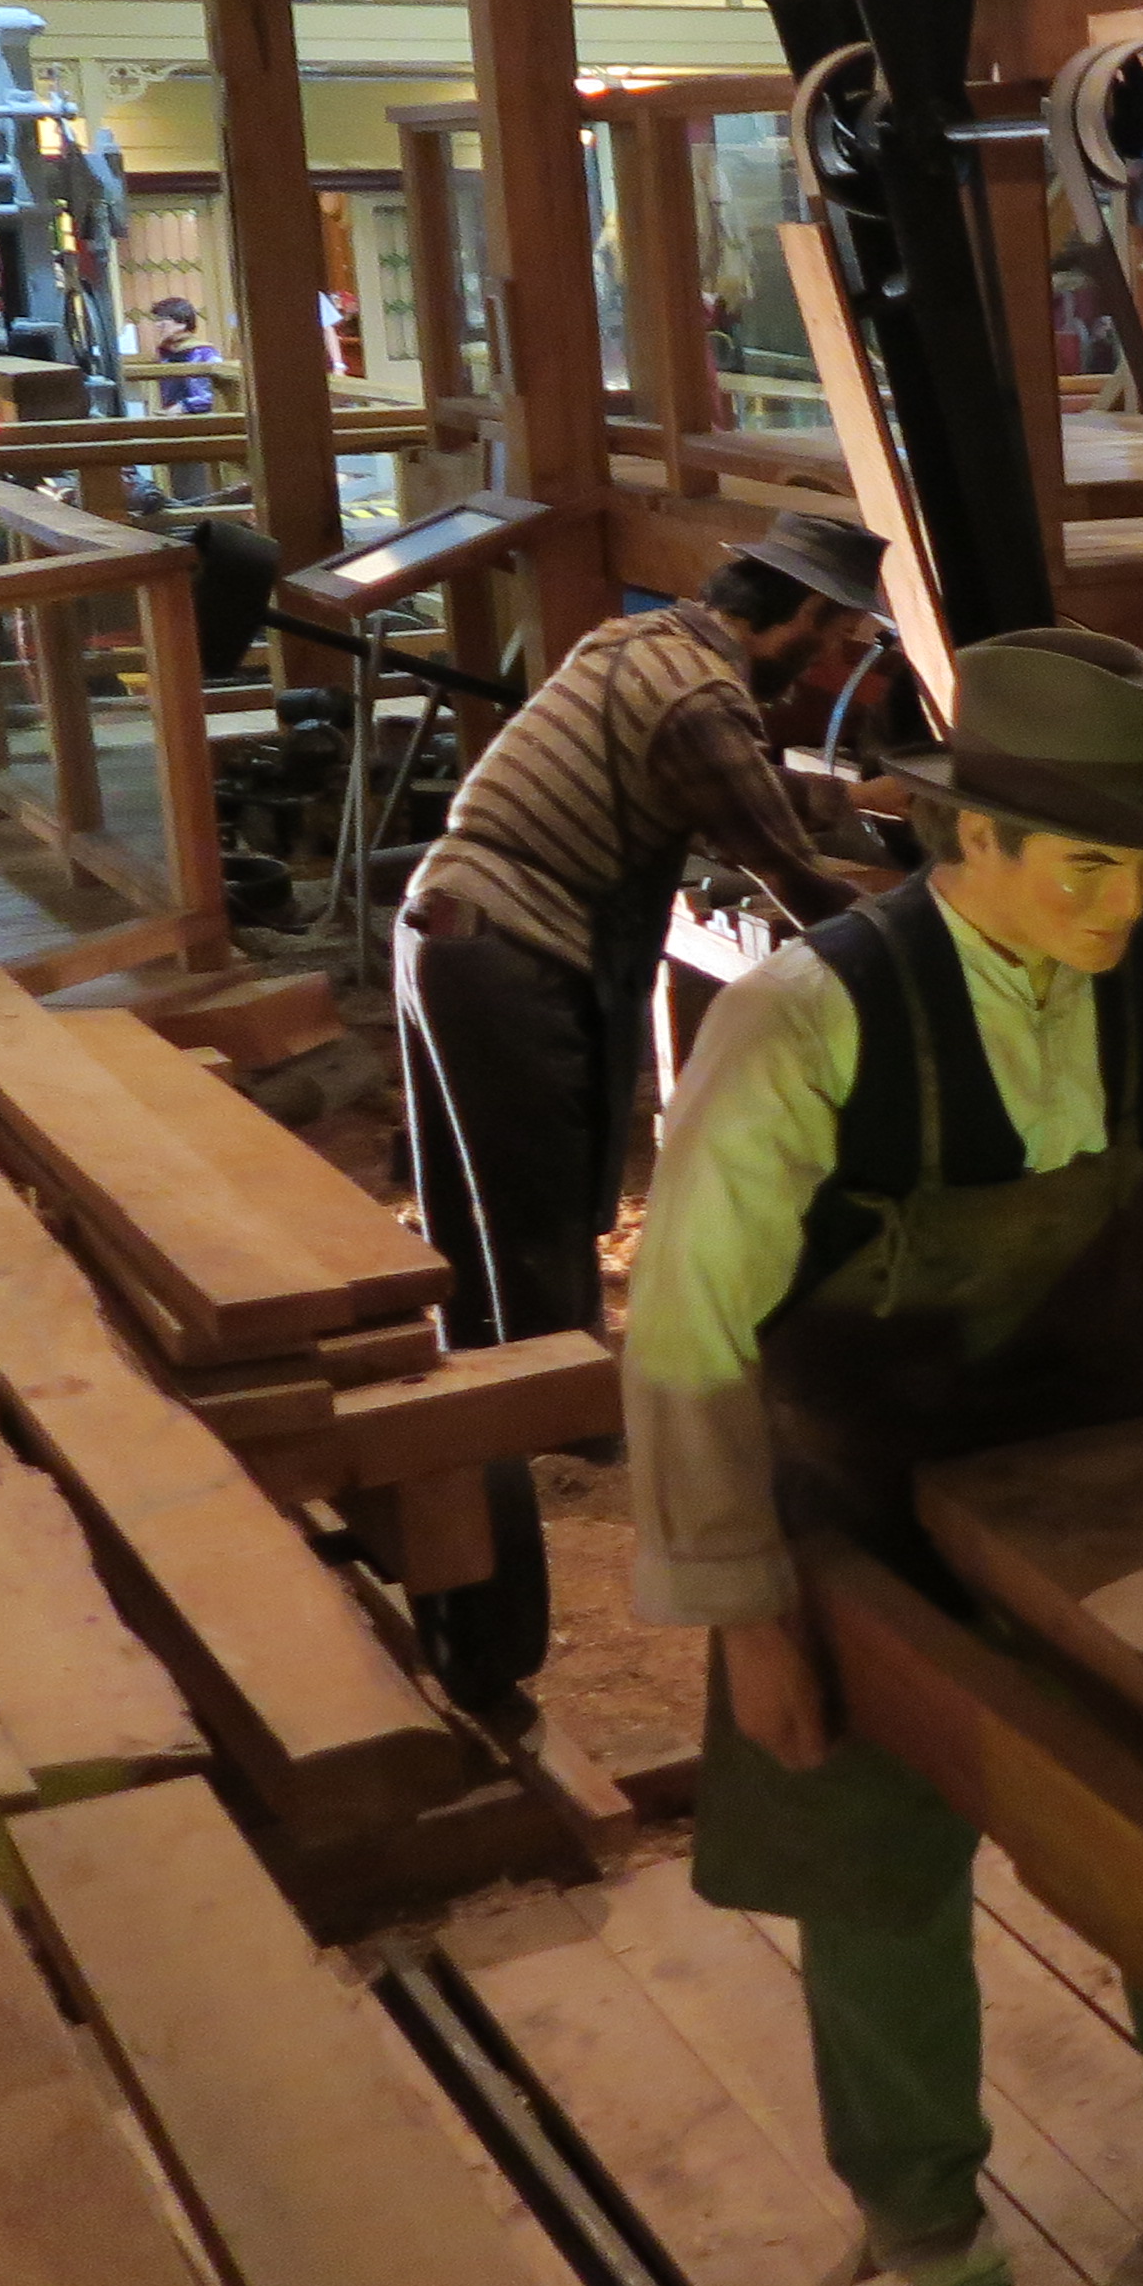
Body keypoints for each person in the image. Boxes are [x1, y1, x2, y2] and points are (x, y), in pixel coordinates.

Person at [618, 627, 1143, 2286]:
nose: (1120, 901)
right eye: (1083, 865)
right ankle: (921, 2224)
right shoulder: (808, 1021)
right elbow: (685, 1331)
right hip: (864, 1502)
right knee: (876, 1869)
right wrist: (745, 1602)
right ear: (961, 835)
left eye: (1141, 861)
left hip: (1125, 1479)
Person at [393, 510, 898, 1713]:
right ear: (804, 618)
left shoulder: (639, 646)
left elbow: (750, 790)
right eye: (841, 644)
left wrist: (872, 797)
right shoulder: (700, 702)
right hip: (510, 950)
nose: (838, 670)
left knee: (476, 1211)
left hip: (449, 926)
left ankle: (495, 1413)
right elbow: (788, 871)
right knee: (543, 1205)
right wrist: (920, 932)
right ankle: (565, 1442)